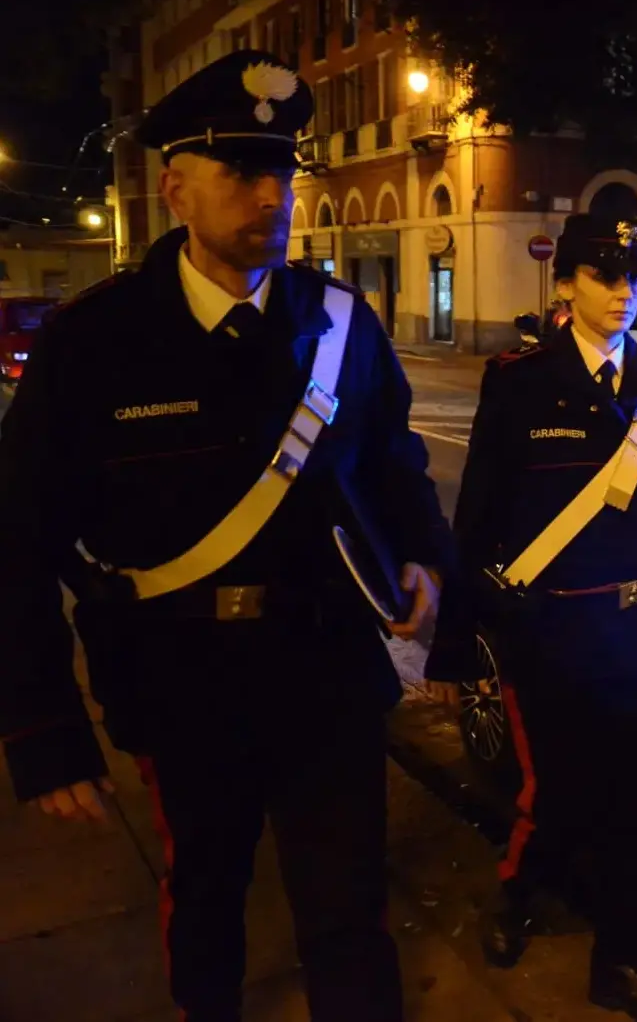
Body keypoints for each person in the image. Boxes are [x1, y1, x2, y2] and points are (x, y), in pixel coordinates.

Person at [0, 50, 452, 1022]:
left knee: (348, 915)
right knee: (205, 903)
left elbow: (389, 457)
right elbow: (17, 545)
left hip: (326, 669)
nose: (271, 195)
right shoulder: (95, 343)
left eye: (282, 171)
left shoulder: (339, 323)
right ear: (175, 190)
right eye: (241, 172)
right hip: (179, 684)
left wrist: (419, 553)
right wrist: (43, 734)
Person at [428, 214, 637, 1022]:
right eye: (604, 275)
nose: (624, 292)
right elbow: (478, 518)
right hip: (555, 637)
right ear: (566, 285)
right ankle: (519, 893)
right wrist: (453, 646)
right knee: (554, 794)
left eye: (633, 274)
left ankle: (621, 963)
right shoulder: (521, 380)